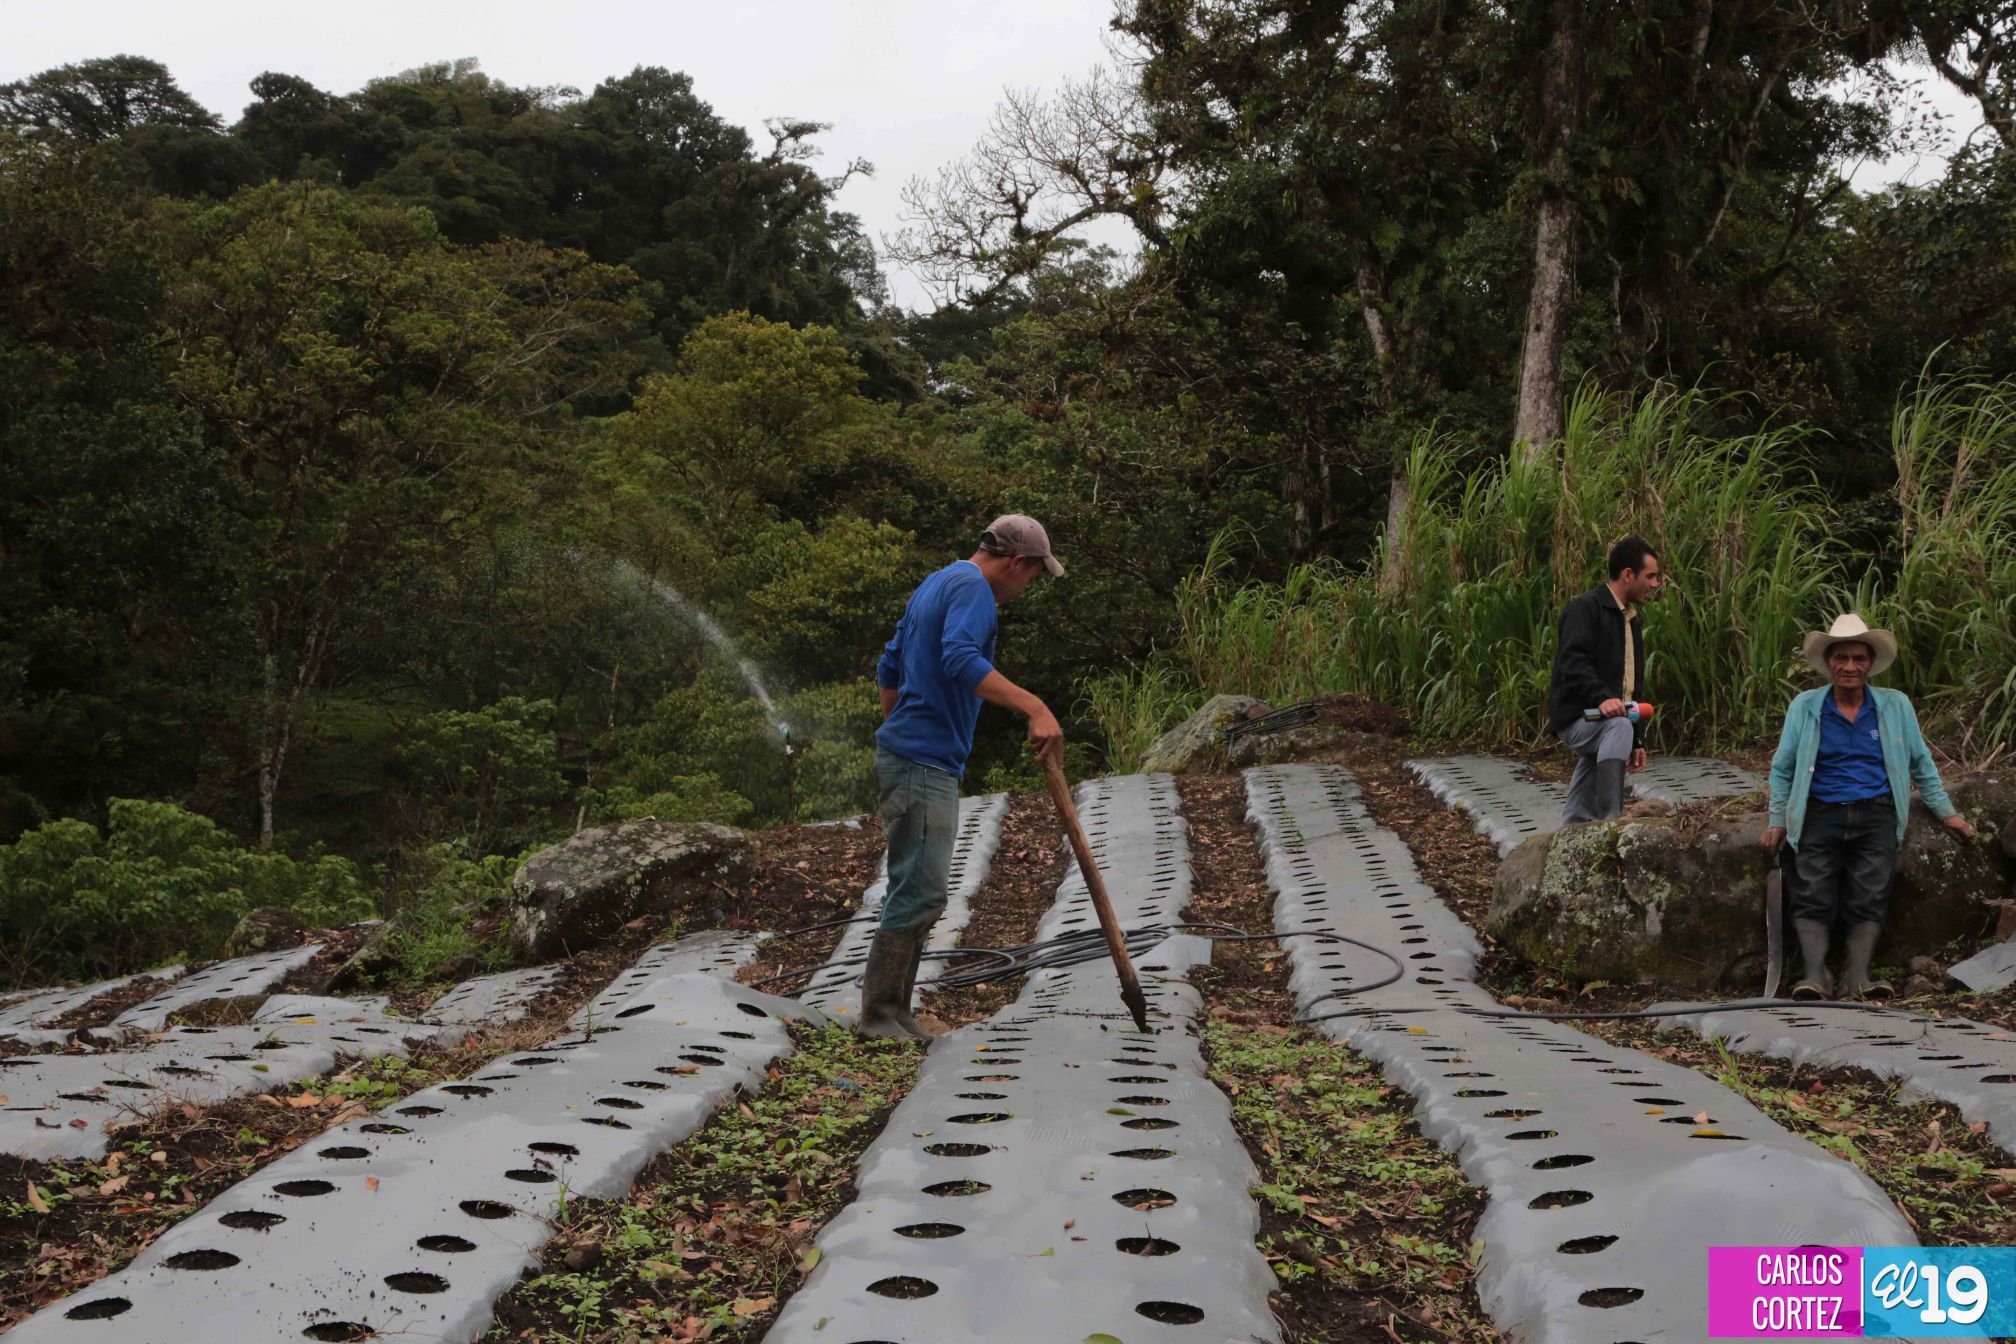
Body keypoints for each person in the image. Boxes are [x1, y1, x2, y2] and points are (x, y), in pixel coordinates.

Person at [860, 515, 1066, 1039]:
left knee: (916, 885)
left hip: (911, 755)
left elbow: (889, 665)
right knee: (922, 889)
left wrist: (898, 730)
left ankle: (895, 1014)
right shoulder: (974, 589)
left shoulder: (939, 580)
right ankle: (881, 1016)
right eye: (1033, 576)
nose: (1026, 588)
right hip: (922, 761)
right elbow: (959, 660)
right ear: (1017, 562)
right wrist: (1035, 707)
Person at [1760, 614, 1975, 1000]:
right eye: (1841, 658)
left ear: (1870, 664)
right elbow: (1783, 769)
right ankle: (1814, 976)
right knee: (1811, 891)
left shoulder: (1894, 706)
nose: (1850, 667)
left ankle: (1858, 977)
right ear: (1828, 663)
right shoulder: (1806, 707)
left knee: (1870, 894)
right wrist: (1778, 819)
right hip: (1819, 812)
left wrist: (1947, 812)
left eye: (1859, 658)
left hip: (1876, 812)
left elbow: (1920, 762)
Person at [1546, 536, 1662, 824]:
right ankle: (1612, 817)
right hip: (1577, 716)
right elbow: (1572, 663)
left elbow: (1631, 689)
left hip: (1609, 721)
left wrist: (1636, 738)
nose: (1655, 584)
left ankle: (1575, 824)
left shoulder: (1630, 620)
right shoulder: (1584, 609)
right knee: (1616, 727)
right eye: (1650, 576)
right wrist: (1601, 698)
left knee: (1605, 744)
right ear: (1627, 575)